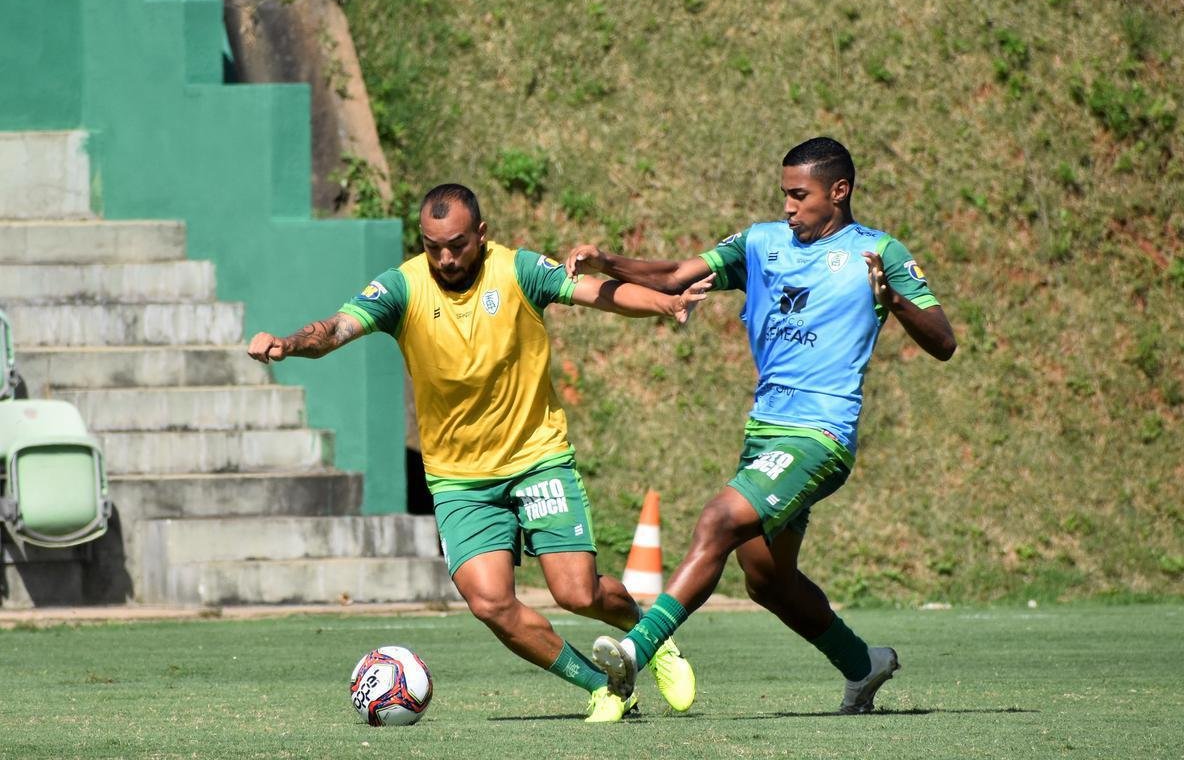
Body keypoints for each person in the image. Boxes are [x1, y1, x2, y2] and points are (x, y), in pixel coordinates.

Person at [248, 183, 703, 723]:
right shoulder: (403, 287)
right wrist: (290, 344)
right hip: (459, 479)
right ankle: (605, 688)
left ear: (481, 235)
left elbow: (597, 292)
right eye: (432, 244)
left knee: (577, 593)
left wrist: (663, 302)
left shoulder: (518, 271)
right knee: (490, 602)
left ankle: (651, 641)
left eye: (457, 245)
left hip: (537, 457)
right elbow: (338, 327)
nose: (444, 257)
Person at [566, 137, 957, 716]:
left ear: (839, 192)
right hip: (765, 433)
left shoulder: (879, 253)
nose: (789, 207)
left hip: (821, 433)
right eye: (785, 195)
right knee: (767, 581)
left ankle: (636, 648)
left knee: (718, 520)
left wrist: (892, 299)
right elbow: (676, 274)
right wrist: (609, 263)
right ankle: (862, 664)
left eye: (800, 195)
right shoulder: (760, 243)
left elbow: (944, 341)